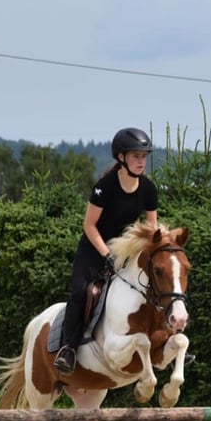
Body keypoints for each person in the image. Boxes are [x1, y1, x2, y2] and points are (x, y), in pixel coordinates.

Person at [54, 127, 158, 376]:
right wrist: (105, 254)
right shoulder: (104, 187)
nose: (141, 161)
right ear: (121, 157)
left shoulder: (149, 188)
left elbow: (151, 227)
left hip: (126, 250)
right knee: (81, 292)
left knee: (158, 287)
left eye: (144, 156)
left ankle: (168, 343)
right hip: (94, 248)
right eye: (135, 156)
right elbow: (89, 225)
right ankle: (68, 348)